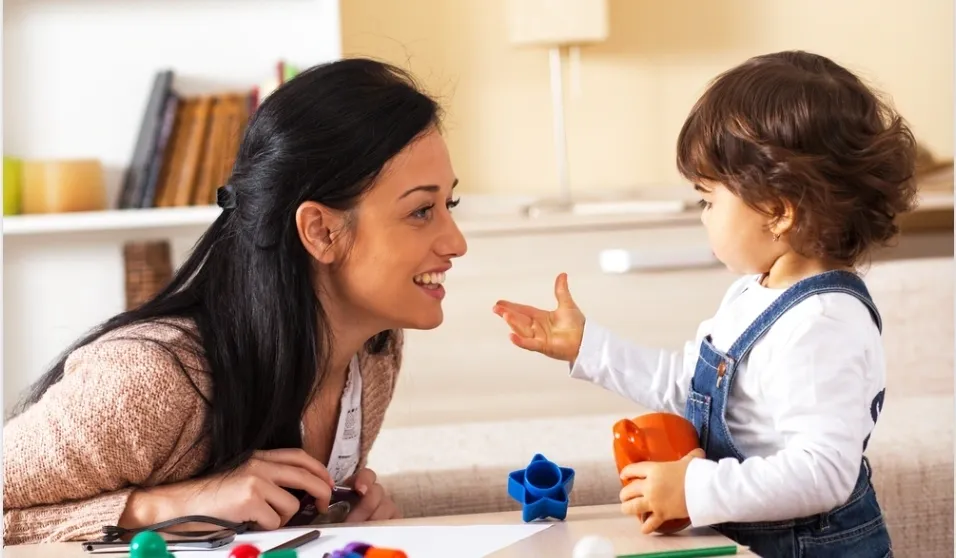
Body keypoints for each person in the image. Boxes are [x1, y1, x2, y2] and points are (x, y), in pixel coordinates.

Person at [3, 58, 467, 545]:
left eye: (448, 205)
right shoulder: (150, 378)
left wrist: (336, 526)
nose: (456, 242)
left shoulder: (373, 353)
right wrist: (159, 508)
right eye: (421, 211)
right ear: (321, 231)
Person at [493, 50, 916, 557]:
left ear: (777, 211)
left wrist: (696, 488)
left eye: (708, 200)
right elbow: (688, 386)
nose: (703, 216)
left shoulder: (823, 323)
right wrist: (588, 347)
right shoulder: (753, 293)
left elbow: (823, 473)